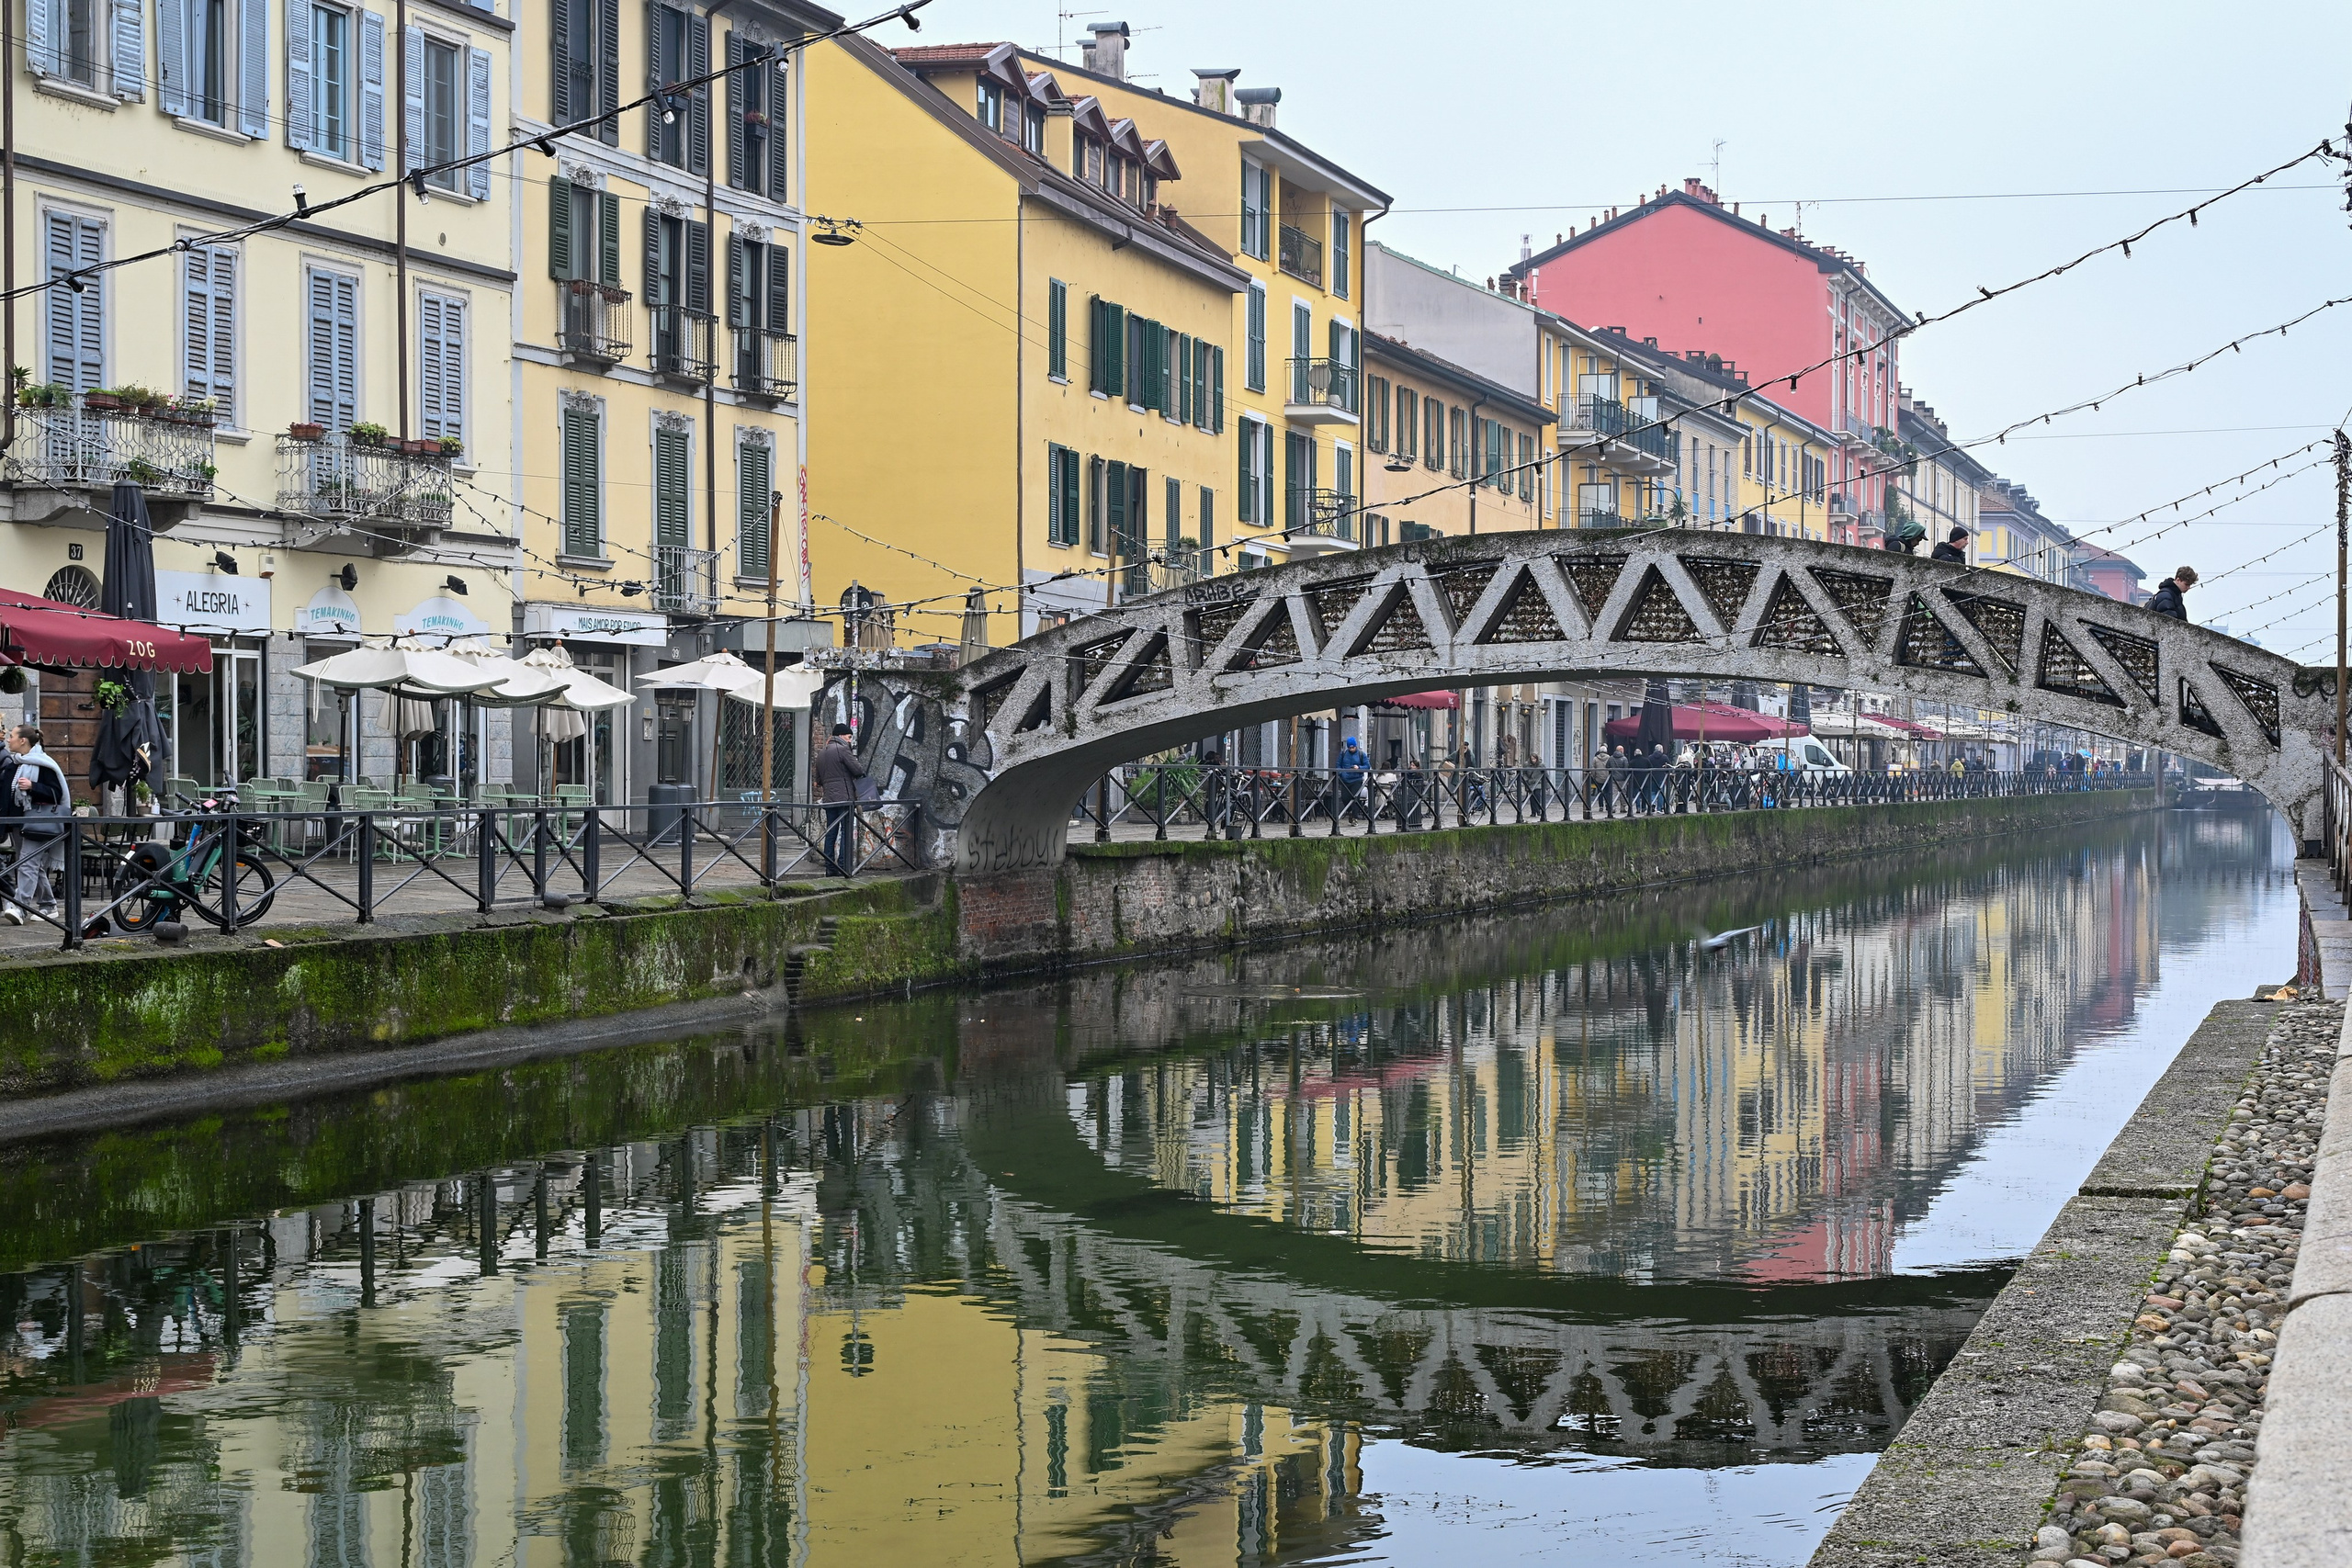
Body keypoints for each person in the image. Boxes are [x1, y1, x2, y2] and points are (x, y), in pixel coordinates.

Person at [5, 725, 69, 925]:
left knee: (27, 863)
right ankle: (49, 905)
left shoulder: (44, 764)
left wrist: (33, 786)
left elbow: (56, 793)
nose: (8, 739)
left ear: (22, 740)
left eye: (12, 736)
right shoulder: (14, 764)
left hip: (37, 822)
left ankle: (20, 907)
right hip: (17, 823)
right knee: (31, 864)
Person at [811, 723, 866, 876]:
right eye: (849, 737)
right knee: (846, 831)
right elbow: (858, 770)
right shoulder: (842, 750)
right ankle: (843, 866)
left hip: (829, 799)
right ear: (841, 736)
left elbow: (818, 780)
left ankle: (830, 868)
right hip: (844, 798)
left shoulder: (821, 753)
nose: (850, 740)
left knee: (831, 832)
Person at [1335, 735, 1369, 822]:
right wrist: (1342, 773)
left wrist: (1359, 768)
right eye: (1350, 748)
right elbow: (1338, 765)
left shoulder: (1361, 754)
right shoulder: (1343, 754)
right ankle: (1349, 811)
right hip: (1345, 779)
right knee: (1344, 798)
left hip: (1356, 779)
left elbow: (1367, 766)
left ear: (1356, 746)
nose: (1351, 749)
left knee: (1355, 798)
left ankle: (1355, 817)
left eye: (1353, 747)